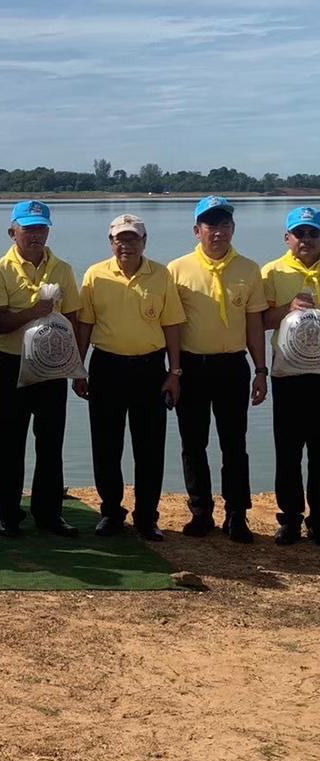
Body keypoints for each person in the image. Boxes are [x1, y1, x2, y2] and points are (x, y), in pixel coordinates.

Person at [73, 214, 185, 541]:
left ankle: (147, 517)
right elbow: (85, 325)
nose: (126, 245)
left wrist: (174, 372)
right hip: (106, 366)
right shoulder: (95, 275)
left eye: (133, 238)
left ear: (144, 242)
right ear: (111, 242)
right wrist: (78, 368)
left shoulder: (161, 275)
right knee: (106, 445)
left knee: (149, 447)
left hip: (150, 369)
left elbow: (172, 325)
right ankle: (111, 512)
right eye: (120, 239)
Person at [168, 195, 268, 543]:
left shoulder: (249, 268)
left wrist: (260, 369)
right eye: (210, 224)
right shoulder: (177, 270)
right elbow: (171, 326)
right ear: (197, 230)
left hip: (233, 366)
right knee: (193, 443)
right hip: (192, 366)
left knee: (234, 444)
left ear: (233, 228)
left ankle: (237, 514)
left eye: (224, 224)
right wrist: (173, 372)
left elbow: (254, 324)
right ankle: (201, 512)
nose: (218, 231)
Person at [0, 200, 81, 538]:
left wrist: (75, 366)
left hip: (53, 367)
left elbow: (73, 319)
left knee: (51, 443)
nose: (35, 234)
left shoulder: (63, 269)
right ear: (12, 232)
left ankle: (49, 513)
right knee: (9, 444)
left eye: (41, 227)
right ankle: (8, 514)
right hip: (12, 365)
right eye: (28, 228)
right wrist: (34, 311)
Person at [261, 206, 320, 545]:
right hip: (287, 372)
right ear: (287, 238)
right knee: (288, 449)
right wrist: (288, 309)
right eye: (300, 233)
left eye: (313, 233)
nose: (306, 239)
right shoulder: (272, 271)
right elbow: (261, 320)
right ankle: (290, 519)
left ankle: (319, 520)